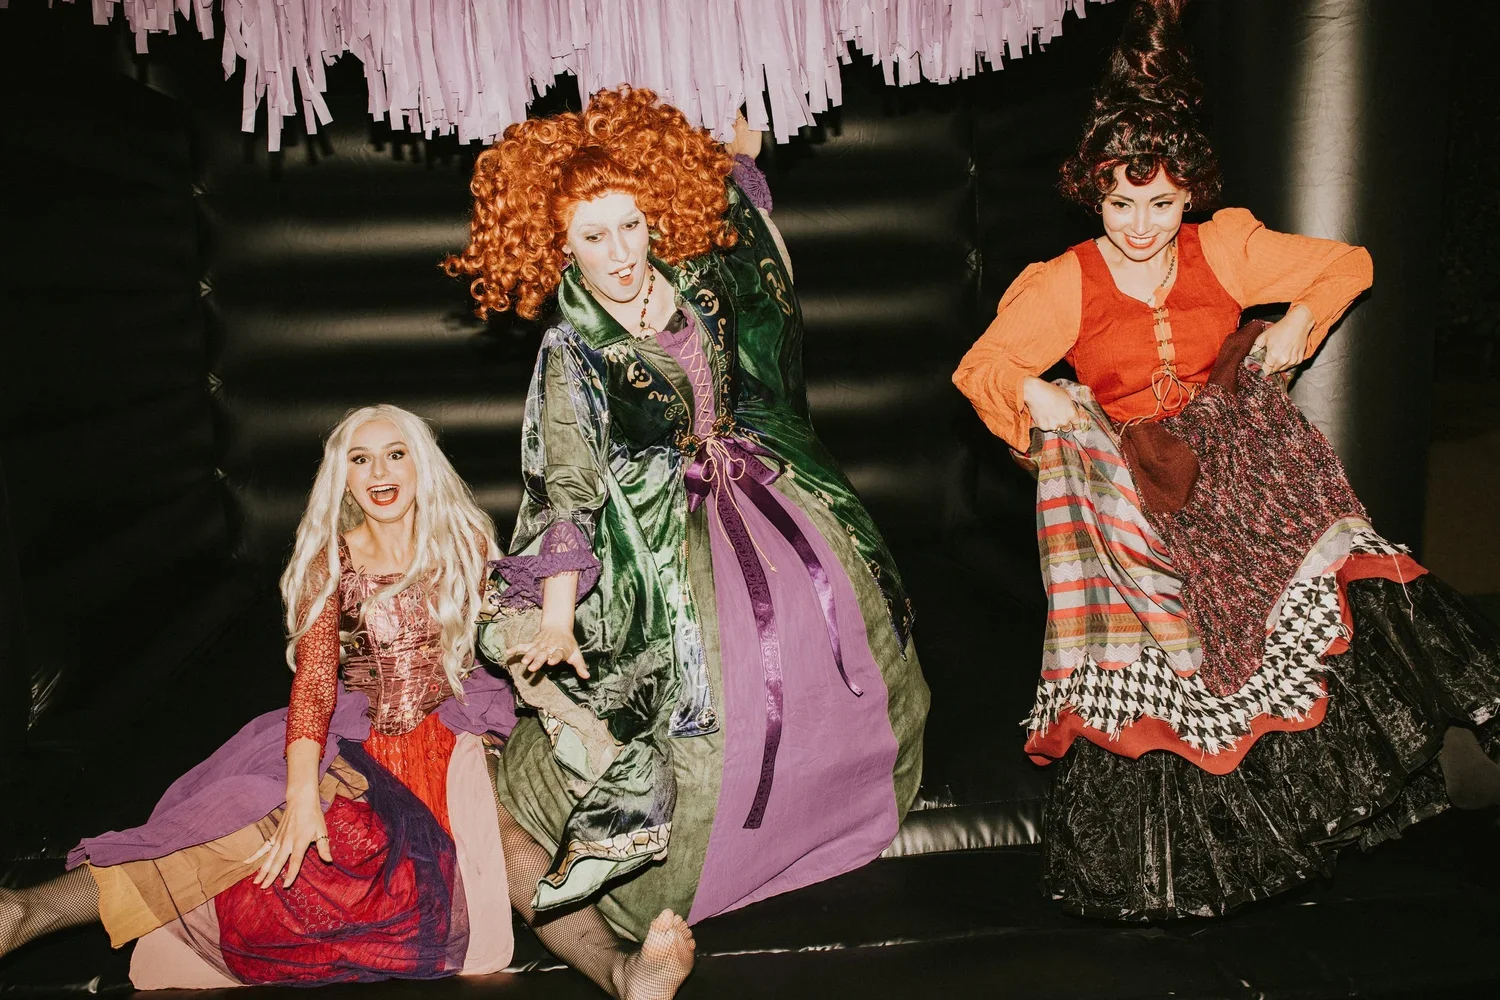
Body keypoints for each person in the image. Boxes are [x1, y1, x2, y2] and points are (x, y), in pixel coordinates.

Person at [953, 0, 1500, 920]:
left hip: (1244, 470)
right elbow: (980, 369)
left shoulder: (1227, 246)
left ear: (1189, 195)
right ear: (1094, 191)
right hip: (1141, 492)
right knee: (1179, 679)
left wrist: (1296, 322)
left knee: (1345, 576)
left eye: (1161, 204)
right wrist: (1036, 393)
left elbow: (1347, 264)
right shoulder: (1065, 283)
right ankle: (1205, 862)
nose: (1140, 226)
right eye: (1121, 203)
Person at [445, 87, 930, 998]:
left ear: (656, 214)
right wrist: (558, 615)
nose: (621, 254)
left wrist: (741, 161)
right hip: (656, 541)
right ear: (557, 245)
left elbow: (751, 249)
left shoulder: (697, 272)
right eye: (594, 237)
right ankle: (688, 878)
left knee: (831, 629)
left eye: (632, 226)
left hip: (765, 486)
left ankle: (837, 810)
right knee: (705, 698)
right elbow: (566, 487)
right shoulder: (571, 351)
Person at [0, 405, 518, 986]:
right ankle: (25, 911)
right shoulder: (332, 562)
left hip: (455, 736)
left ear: (420, 463)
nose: (380, 471)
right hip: (359, 742)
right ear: (343, 477)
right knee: (242, 824)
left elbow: (509, 639)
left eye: (395, 454)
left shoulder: (467, 544)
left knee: (499, 844)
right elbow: (315, 684)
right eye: (361, 459)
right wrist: (301, 795)